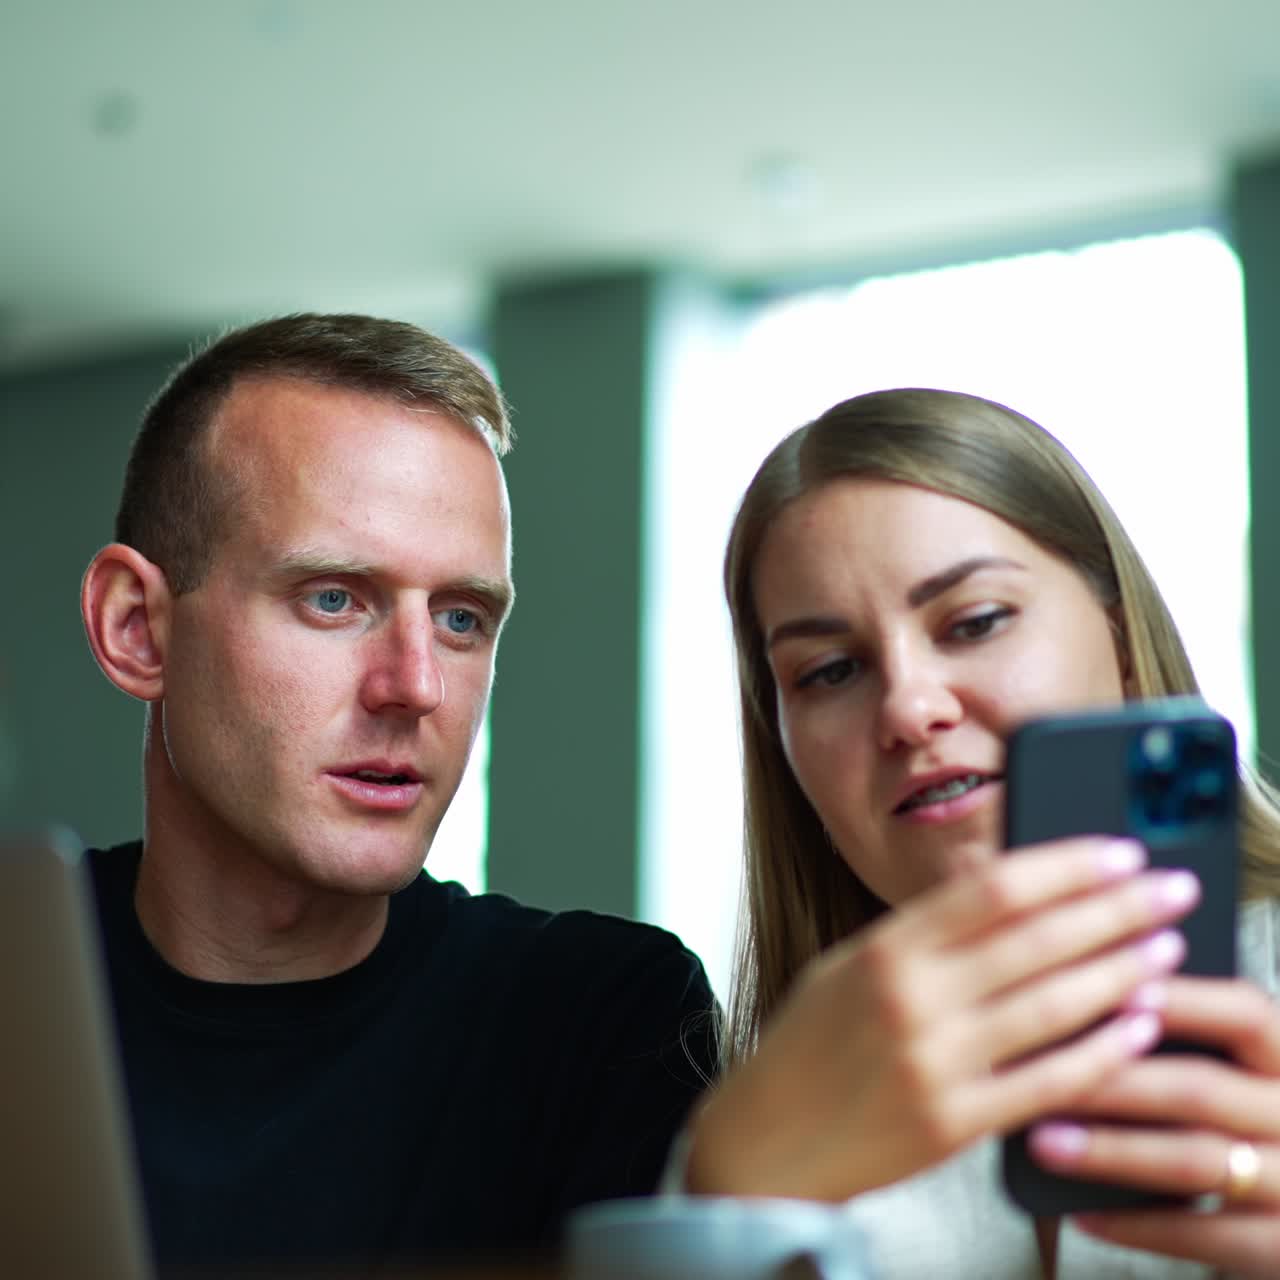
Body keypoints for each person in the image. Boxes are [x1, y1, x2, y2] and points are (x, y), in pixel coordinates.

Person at [78, 312, 717, 1276]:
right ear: (139, 630)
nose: (415, 684)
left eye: (461, 619)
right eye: (333, 598)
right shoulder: (26, 984)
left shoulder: (601, 1018)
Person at [654, 388, 1280, 1278]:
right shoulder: (788, 1102)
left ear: (1120, 634)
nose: (909, 708)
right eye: (829, 671)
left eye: (977, 622)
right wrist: (719, 1200)